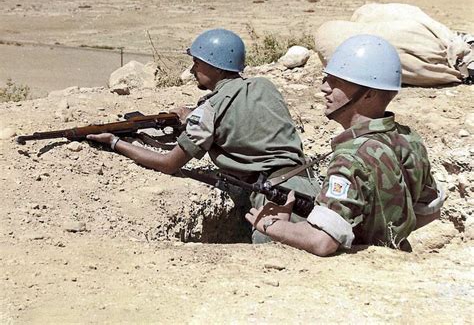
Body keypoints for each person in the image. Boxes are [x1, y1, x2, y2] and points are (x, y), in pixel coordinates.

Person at [87, 28, 319, 242]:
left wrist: (115, 142)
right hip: (310, 190)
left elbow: (169, 164)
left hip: (275, 201)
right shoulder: (264, 85)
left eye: (197, 63)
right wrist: (195, 114)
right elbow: (242, 114)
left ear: (216, 67)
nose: (192, 70)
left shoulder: (209, 111)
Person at [246, 34, 446, 255]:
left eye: (336, 82)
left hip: (358, 273)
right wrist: (384, 236)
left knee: (263, 237)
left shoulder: (350, 157)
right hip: (396, 256)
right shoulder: (409, 139)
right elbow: (429, 210)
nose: (324, 88)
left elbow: (323, 242)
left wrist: (273, 226)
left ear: (368, 94)